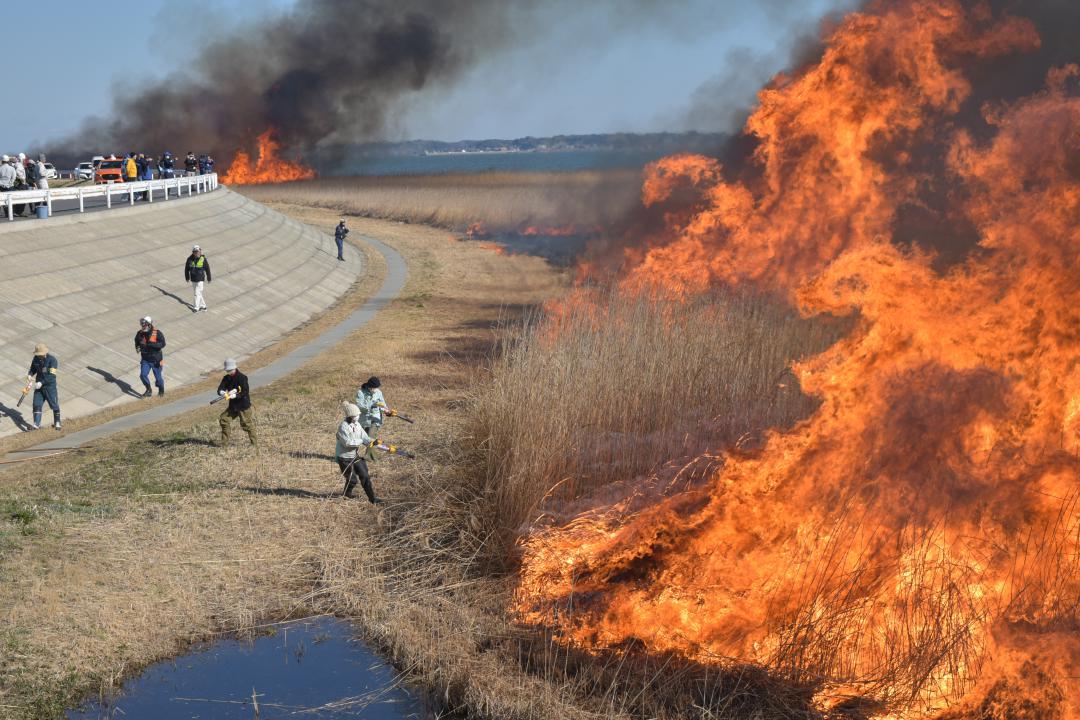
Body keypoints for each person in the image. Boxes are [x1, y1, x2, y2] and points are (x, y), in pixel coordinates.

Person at [335, 402, 379, 503]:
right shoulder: (343, 427)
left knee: (365, 476)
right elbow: (348, 443)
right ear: (350, 416)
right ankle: (347, 493)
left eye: (358, 414)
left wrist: (372, 441)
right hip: (344, 458)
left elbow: (364, 437)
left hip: (355, 455)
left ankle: (372, 499)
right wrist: (362, 441)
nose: (358, 416)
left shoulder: (357, 424)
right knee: (352, 480)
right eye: (356, 415)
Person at [216, 358, 256, 447]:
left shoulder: (242, 378)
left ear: (234, 368)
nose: (229, 372)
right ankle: (224, 444)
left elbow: (245, 391)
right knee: (223, 420)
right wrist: (223, 392)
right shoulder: (226, 378)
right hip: (233, 406)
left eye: (230, 370)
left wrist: (235, 395)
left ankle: (254, 445)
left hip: (243, 406)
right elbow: (220, 389)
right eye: (227, 370)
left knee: (246, 425)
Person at [27, 343, 61, 430]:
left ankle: (57, 422)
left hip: (50, 387)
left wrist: (41, 382)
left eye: (40, 355)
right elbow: (33, 368)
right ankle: (36, 425)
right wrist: (30, 375)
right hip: (39, 387)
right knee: (36, 404)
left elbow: (51, 375)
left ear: (44, 353)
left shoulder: (52, 360)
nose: (39, 356)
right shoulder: (36, 358)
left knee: (54, 405)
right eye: (38, 355)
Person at [355, 376, 386, 459]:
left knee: (371, 436)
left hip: (375, 418)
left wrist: (386, 411)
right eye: (374, 388)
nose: (375, 389)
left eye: (376, 388)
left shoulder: (378, 392)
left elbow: (383, 404)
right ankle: (353, 454)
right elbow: (359, 406)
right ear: (369, 386)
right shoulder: (360, 392)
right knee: (360, 437)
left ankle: (369, 456)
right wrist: (371, 405)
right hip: (364, 419)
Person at [134, 316, 166, 397]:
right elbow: (136, 341)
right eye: (142, 325)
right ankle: (148, 390)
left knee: (158, 379)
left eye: (144, 325)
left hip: (156, 360)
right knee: (143, 375)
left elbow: (163, 344)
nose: (142, 326)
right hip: (145, 359)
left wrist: (152, 344)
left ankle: (161, 391)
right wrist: (137, 347)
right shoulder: (139, 333)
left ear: (149, 324)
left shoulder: (157, 333)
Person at [184, 244, 211, 312]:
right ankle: (203, 306)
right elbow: (186, 269)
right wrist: (187, 277)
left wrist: (209, 278)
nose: (198, 253)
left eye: (198, 251)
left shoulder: (203, 259)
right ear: (193, 252)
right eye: (196, 251)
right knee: (198, 293)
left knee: (196, 293)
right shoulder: (189, 259)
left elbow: (207, 268)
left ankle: (196, 307)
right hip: (193, 279)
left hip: (200, 279)